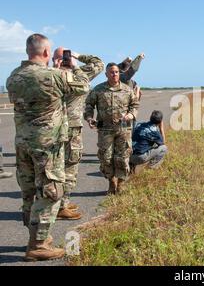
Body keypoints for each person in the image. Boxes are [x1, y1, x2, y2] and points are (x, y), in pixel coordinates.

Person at [6, 34, 89, 261]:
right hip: (47, 146)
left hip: (23, 143)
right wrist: (72, 67)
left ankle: (36, 235)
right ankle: (38, 244)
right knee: (51, 192)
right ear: (45, 53)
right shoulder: (53, 76)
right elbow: (83, 86)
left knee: (29, 191)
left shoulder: (13, 77)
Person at [52, 48, 105, 221]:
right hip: (67, 128)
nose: (65, 59)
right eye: (64, 56)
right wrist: (77, 57)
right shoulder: (79, 73)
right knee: (67, 167)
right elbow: (98, 63)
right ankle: (60, 206)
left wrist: (57, 66)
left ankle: (62, 203)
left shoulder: (48, 74)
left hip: (55, 129)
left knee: (61, 167)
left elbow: (100, 64)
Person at [84, 63, 139, 195]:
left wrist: (131, 114)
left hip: (123, 129)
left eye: (116, 72)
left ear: (119, 73)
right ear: (106, 74)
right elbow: (89, 105)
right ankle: (111, 182)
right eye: (111, 72)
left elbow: (135, 104)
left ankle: (120, 184)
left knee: (122, 157)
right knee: (106, 158)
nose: (114, 74)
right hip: (105, 130)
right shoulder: (98, 89)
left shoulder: (127, 89)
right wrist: (90, 118)